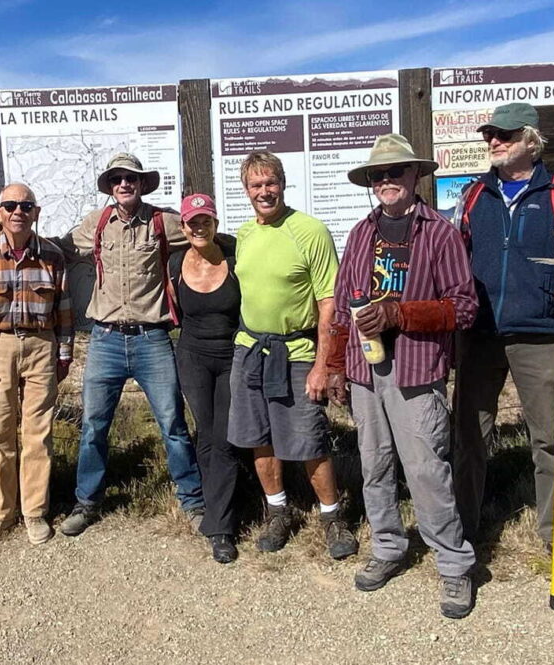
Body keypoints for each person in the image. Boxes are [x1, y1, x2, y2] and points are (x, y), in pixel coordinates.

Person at [333, 134, 478, 619]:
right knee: (373, 466)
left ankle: (454, 565)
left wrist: (400, 314)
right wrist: (335, 364)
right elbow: (339, 304)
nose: (387, 181)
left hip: (416, 370)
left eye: (396, 172)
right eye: (379, 174)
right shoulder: (360, 234)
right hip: (363, 370)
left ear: (416, 176)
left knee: (425, 470)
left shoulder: (440, 233)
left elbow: (464, 306)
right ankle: (389, 547)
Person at [452, 103, 554, 572]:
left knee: (550, 439)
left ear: (530, 141)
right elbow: (455, 259)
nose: (493, 141)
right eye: (490, 134)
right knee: (469, 435)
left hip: (540, 335)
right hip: (479, 334)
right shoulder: (473, 196)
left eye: (505, 135)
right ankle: (463, 529)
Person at [57, 153, 204, 536]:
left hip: (152, 339)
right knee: (93, 425)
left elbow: (202, 231)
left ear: (142, 184)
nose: (124, 184)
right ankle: (87, 501)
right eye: (117, 179)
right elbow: (61, 249)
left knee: (172, 424)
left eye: (131, 178)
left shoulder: (163, 222)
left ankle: (193, 501)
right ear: (110, 186)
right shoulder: (97, 223)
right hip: (104, 340)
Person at [228, 150, 357, 558]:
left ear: (283, 184)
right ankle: (278, 511)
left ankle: (333, 517)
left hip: (298, 350)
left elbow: (329, 303)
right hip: (250, 350)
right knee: (259, 438)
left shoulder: (310, 231)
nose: (264, 191)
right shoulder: (246, 234)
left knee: (308, 438)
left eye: (271, 183)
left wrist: (323, 363)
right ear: (246, 190)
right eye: (256, 185)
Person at [0, 183, 73, 546]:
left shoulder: (53, 256)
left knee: (38, 433)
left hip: (42, 344)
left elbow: (64, 310)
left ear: (36, 212)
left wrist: (64, 354)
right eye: (10, 205)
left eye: (26, 206)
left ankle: (34, 512)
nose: (18, 212)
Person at [169, 193, 243, 563]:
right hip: (193, 357)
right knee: (205, 435)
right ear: (183, 227)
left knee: (225, 440)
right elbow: (175, 311)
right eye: (192, 222)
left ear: (215, 223)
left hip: (231, 356)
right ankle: (218, 514)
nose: (199, 227)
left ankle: (221, 527)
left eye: (205, 220)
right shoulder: (174, 264)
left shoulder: (235, 258)